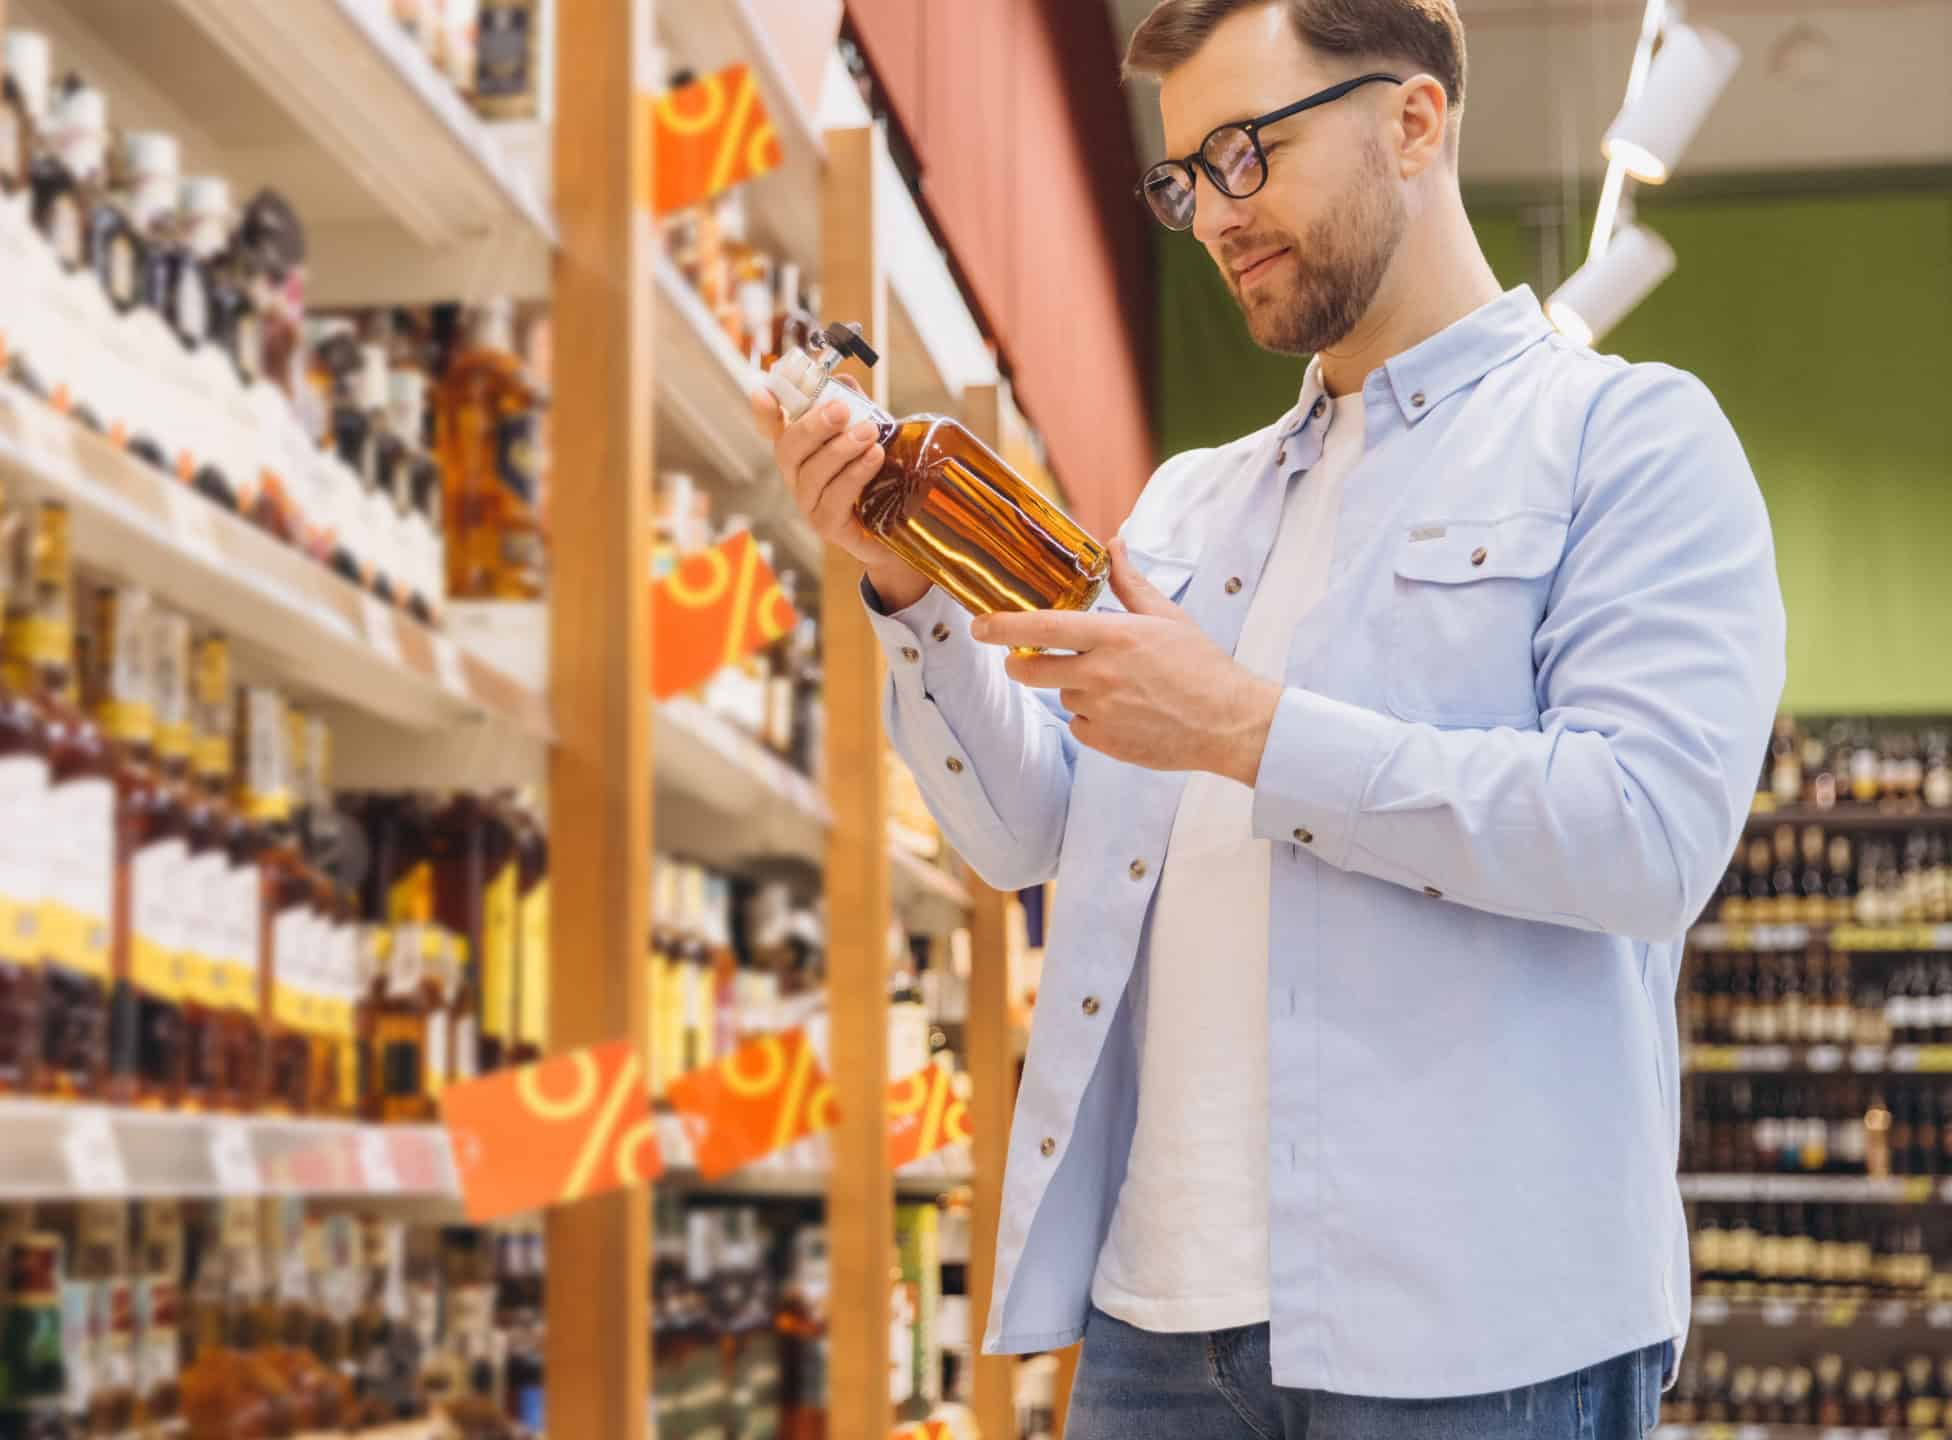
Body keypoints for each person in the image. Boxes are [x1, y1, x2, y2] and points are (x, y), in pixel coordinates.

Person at [750, 0, 1785, 1433]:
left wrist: (1244, 727)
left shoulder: (1628, 440)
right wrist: (908, 588)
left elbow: (1647, 837)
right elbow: (1026, 834)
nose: (1213, 216)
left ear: (1414, 122)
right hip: (1155, 1328)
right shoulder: (1188, 504)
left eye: (1248, 154)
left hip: (1479, 1331)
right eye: (1184, 178)